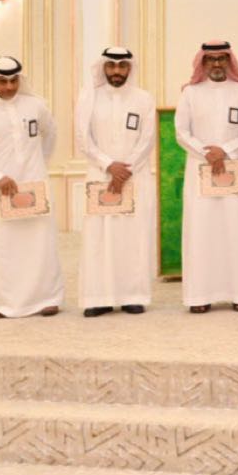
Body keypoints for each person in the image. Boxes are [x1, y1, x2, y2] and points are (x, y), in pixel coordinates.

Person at [0, 56, 62, 319]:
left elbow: (50, 133)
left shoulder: (35, 105)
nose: (9, 87)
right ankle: (4, 303)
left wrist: (39, 165)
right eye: (2, 81)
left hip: (34, 185)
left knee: (40, 242)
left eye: (13, 80)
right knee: (3, 245)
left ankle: (48, 299)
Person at [175, 41, 238, 313]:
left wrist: (227, 151)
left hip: (234, 169)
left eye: (222, 58)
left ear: (229, 61)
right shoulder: (190, 93)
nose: (217, 64)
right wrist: (206, 152)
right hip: (201, 170)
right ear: (203, 63)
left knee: (236, 229)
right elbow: (181, 132)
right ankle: (200, 296)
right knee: (201, 231)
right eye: (211, 59)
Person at [74, 47, 156, 317]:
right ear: (103, 67)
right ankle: (98, 298)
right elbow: (83, 138)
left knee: (133, 236)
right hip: (100, 176)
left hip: (135, 175)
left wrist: (126, 168)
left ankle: (133, 296)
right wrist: (109, 165)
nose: (117, 71)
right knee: (98, 237)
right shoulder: (89, 97)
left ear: (130, 68)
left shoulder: (143, 99)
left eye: (122, 66)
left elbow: (147, 138)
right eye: (111, 65)